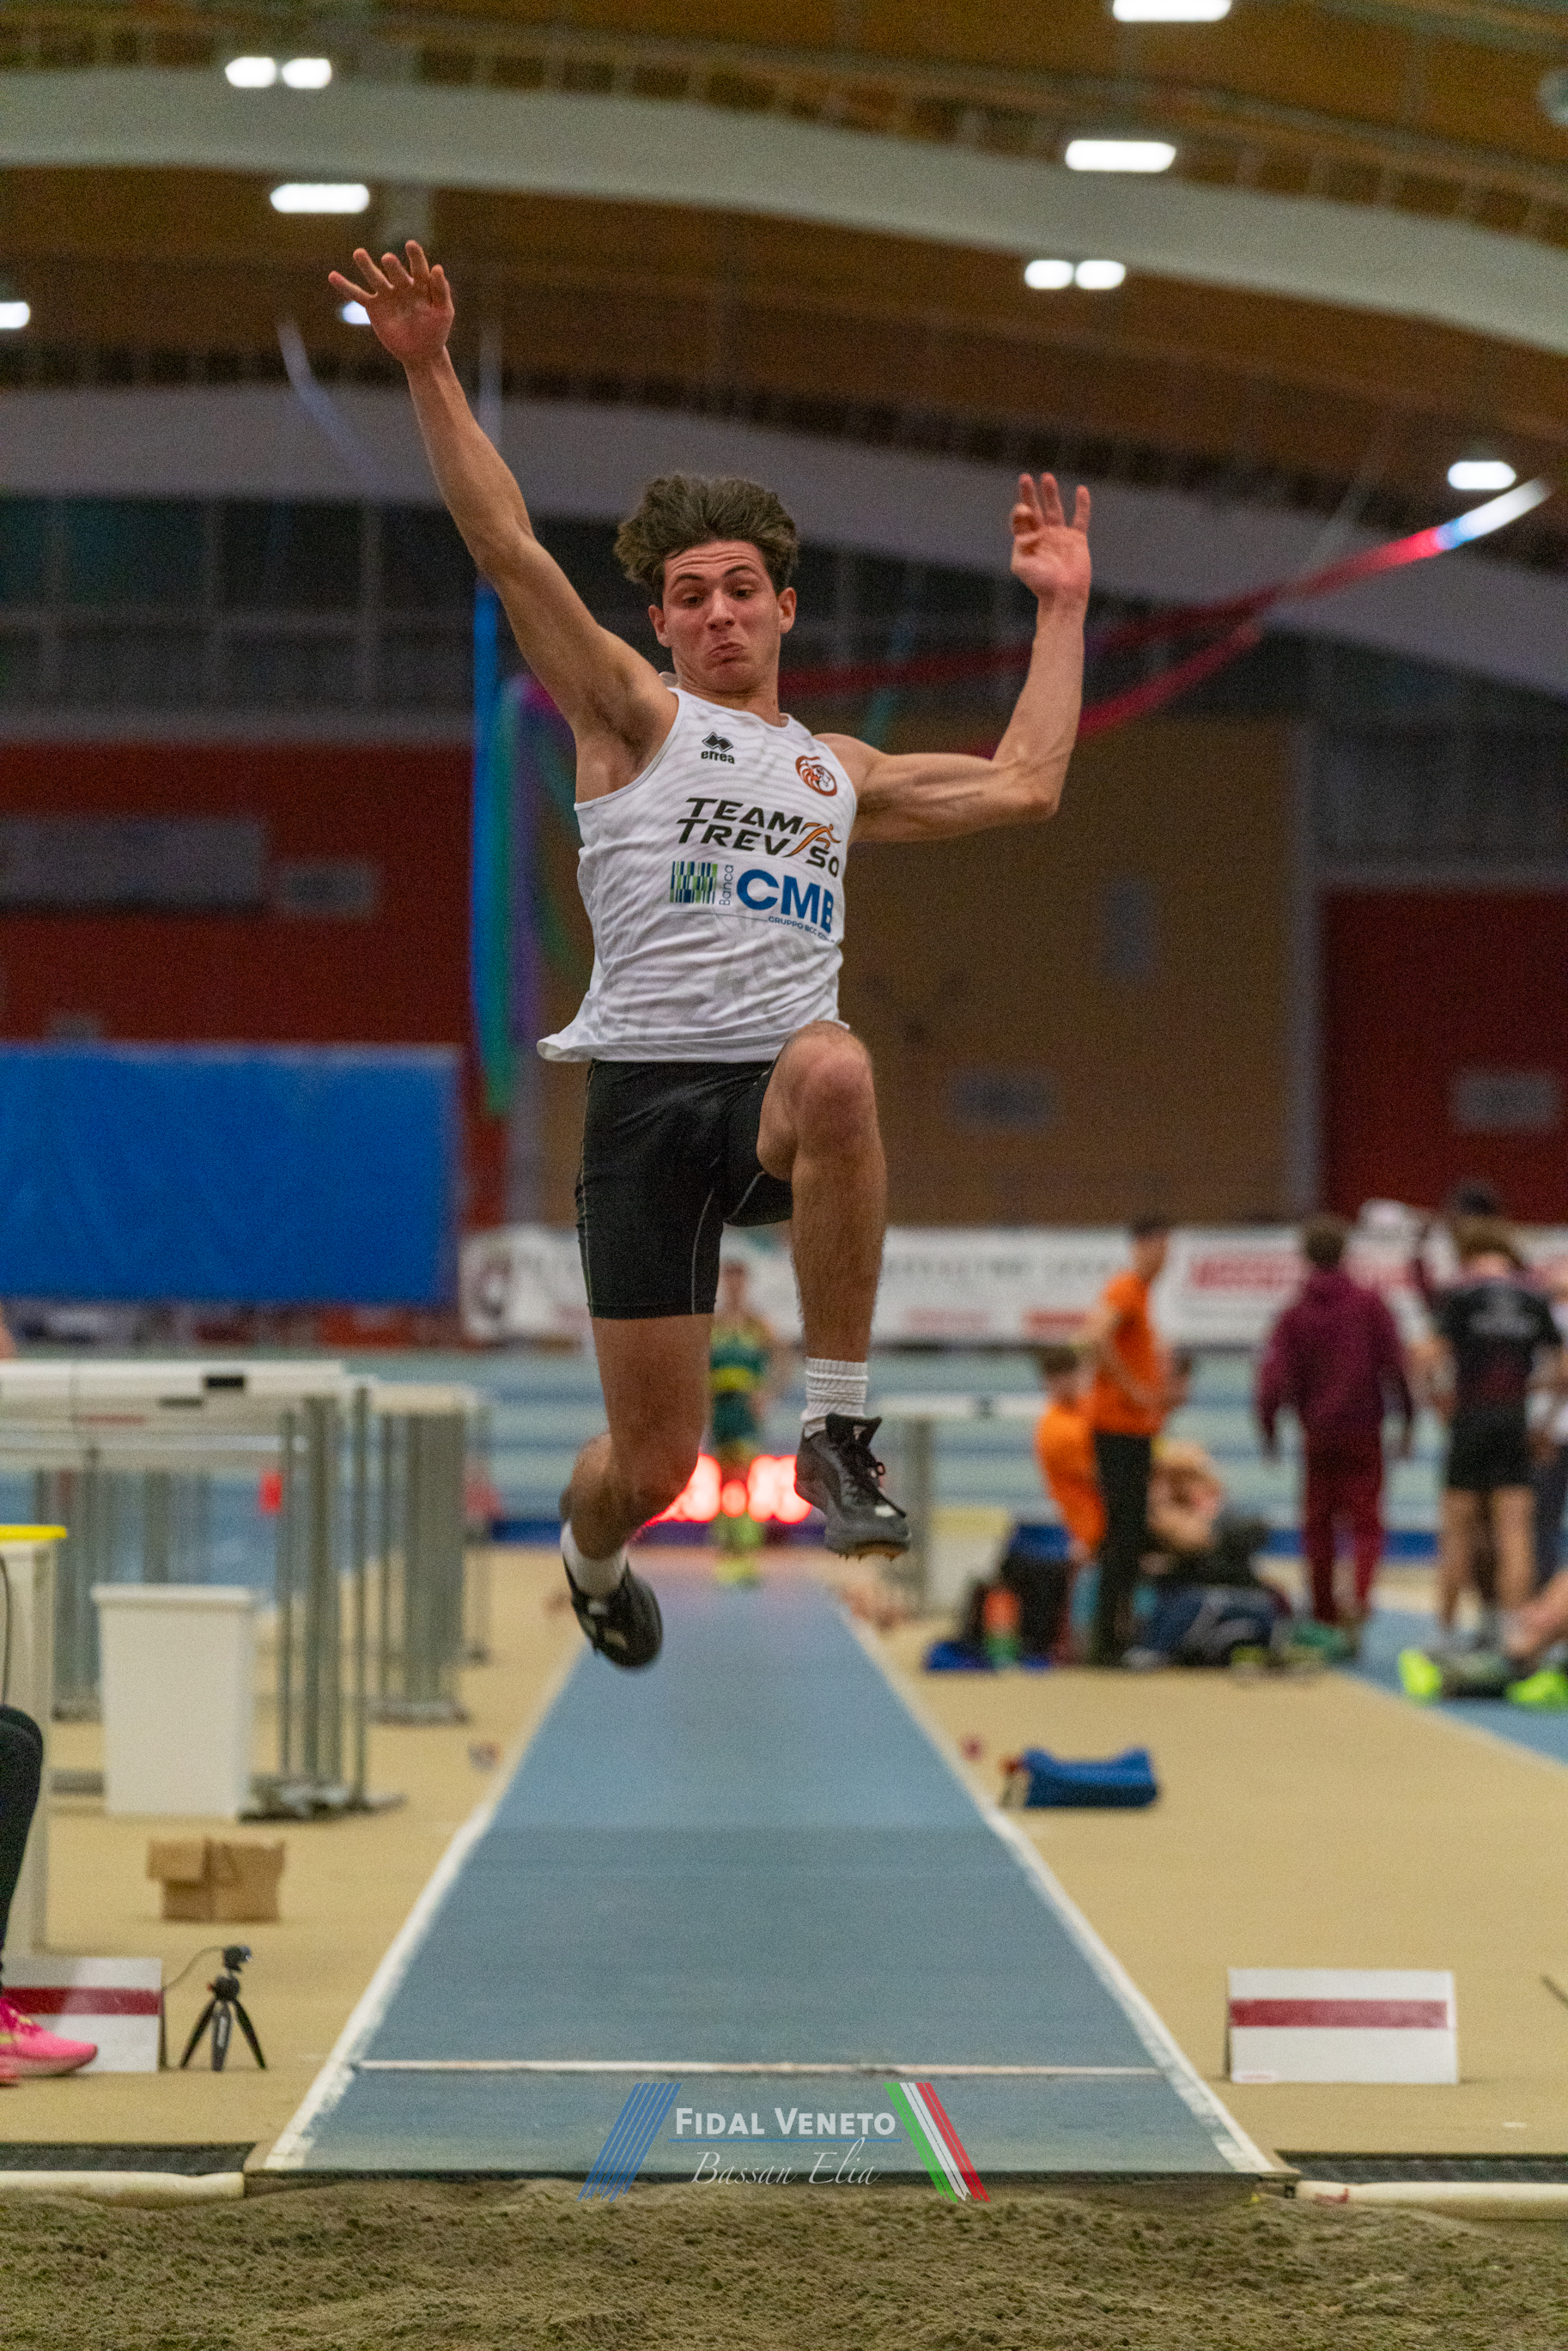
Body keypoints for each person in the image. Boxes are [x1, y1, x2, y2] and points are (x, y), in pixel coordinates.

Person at [331, 240, 1092, 1672]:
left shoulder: (835, 769)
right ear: (662, 621)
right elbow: (508, 549)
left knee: (839, 1068)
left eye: (743, 588)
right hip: (643, 1108)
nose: (720, 612)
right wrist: (427, 366)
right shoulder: (629, 717)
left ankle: (837, 1429)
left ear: (785, 607)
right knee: (654, 1462)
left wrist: (1058, 607)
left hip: (770, 1092)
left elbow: (1025, 783)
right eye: (691, 594)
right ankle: (592, 1555)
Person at [1255, 1214, 1413, 1636]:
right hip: (1365, 1430)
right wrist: (1408, 1422)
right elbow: (1396, 1367)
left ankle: (1324, 1613)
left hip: (1318, 1433)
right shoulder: (1370, 1305)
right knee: (1366, 1524)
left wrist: (1269, 1432)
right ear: (1345, 1253)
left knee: (1319, 1527)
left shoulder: (1294, 1315)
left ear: (1306, 1256)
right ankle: (1358, 1597)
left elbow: (1272, 1380)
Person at [1411, 1219, 1563, 1650]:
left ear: (1469, 1255)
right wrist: (1544, 1422)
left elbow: (1425, 1357)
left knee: (1457, 1532)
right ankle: (1514, 1635)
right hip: (1514, 1422)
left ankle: (1443, 1633)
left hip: (1469, 1422)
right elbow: (1563, 1370)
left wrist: (1436, 1400)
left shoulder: (1461, 1293)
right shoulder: (1532, 1297)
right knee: (1515, 1534)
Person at [708, 1258, 778, 1583]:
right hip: (720, 1410)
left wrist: (767, 1394)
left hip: (746, 1411)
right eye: (730, 1280)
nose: (734, 1287)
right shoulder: (713, 1324)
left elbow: (784, 1359)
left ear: (745, 1284)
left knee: (745, 1479)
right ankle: (726, 1549)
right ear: (724, 1283)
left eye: (739, 1281)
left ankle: (748, 1552)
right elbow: (698, 1364)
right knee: (722, 1481)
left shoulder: (757, 1325)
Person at [1032, 1344, 1105, 1575]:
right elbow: (1103, 1475)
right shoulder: (1054, 1429)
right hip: (1094, 1527)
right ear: (1048, 1381)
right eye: (1059, 1376)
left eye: (1072, 1372)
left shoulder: (1091, 1409)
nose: (1068, 1382)